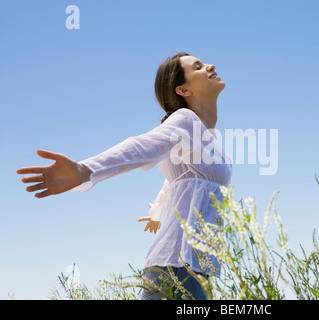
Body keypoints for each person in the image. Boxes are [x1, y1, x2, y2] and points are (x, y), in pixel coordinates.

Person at [17, 52, 232, 300]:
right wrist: (86, 170)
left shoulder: (208, 137)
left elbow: (174, 179)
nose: (210, 65)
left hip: (193, 263)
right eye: (198, 67)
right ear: (182, 90)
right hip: (178, 264)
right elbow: (142, 146)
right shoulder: (185, 119)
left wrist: (158, 212)